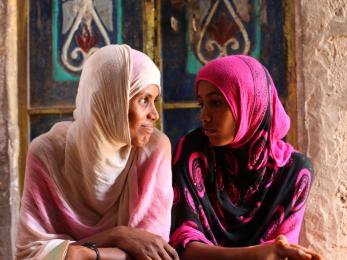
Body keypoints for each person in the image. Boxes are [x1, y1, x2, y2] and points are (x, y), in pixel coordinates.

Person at [16, 44, 178, 260]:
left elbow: (151, 251)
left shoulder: (154, 150)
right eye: (143, 100)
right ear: (111, 100)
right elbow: (29, 254)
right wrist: (117, 235)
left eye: (154, 101)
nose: (154, 114)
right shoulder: (47, 153)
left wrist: (81, 253)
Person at [170, 55, 322, 259]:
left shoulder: (294, 171)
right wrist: (254, 254)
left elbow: (281, 252)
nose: (204, 116)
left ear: (250, 102)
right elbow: (184, 248)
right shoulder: (192, 153)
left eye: (215, 103)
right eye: (201, 104)